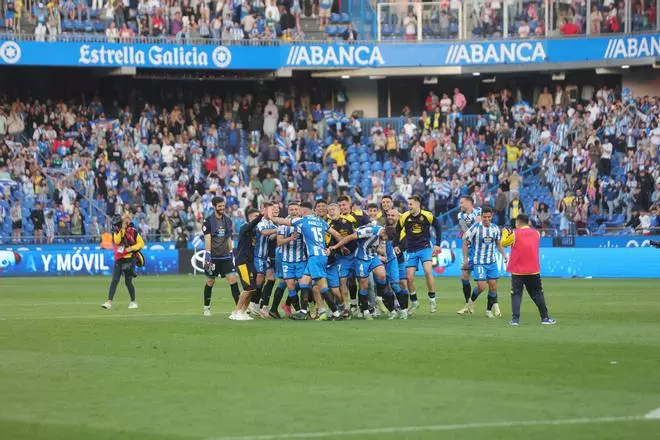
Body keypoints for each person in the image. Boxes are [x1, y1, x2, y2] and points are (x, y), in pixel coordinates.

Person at [272, 202, 344, 320]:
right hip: (318, 255)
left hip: (315, 257)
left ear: (304, 212)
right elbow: (336, 233)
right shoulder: (320, 221)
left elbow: (283, 221)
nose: (298, 213)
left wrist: (272, 217)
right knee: (304, 282)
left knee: (323, 286)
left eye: (299, 211)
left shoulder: (303, 221)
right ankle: (303, 311)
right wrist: (337, 247)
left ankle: (336, 313)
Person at [330, 223, 399, 319]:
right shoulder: (369, 231)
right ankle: (365, 311)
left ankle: (378, 298)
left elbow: (379, 246)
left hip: (373, 257)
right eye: (386, 238)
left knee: (382, 275)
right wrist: (336, 246)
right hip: (361, 259)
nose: (385, 240)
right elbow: (350, 237)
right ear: (384, 232)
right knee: (364, 285)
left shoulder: (382, 233)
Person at [501, 214, 556, 326]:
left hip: (518, 270)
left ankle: (515, 319)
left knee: (516, 294)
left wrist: (505, 232)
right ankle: (545, 318)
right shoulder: (536, 233)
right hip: (533, 269)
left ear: (518, 222)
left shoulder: (514, 233)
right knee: (537, 293)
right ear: (528, 222)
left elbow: (504, 243)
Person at [399, 195, 442, 314]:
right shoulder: (404, 217)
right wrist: (397, 245)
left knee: (428, 271)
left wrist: (437, 243)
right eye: (408, 204)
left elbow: (438, 227)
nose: (409, 206)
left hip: (425, 248)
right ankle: (414, 302)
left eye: (411, 204)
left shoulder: (427, 215)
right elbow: (397, 231)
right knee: (409, 277)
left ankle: (432, 299)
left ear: (418, 204)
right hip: (411, 250)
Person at [461, 207, 507, 318]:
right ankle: (471, 302)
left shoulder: (495, 228)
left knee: (493, 286)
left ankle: (488, 311)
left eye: (488, 217)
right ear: (481, 217)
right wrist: (466, 259)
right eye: (484, 217)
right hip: (479, 262)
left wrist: (504, 255)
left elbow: (498, 243)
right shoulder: (475, 228)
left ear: (492, 217)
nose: (486, 219)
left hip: (492, 262)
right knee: (482, 286)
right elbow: (465, 243)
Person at [201, 196, 242, 317]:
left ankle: (238, 310)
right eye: (219, 206)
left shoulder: (228, 221)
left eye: (223, 206)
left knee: (233, 280)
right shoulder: (208, 221)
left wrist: (232, 253)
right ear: (214, 207)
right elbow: (208, 240)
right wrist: (208, 256)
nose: (222, 208)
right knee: (210, 281)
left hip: (225, 257)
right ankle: (206, 308)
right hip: (213, 257)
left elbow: (229, 238)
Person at [101, 214, 144, 310]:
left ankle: (133, 302)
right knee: (115, 280)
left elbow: (141, 244)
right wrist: (122, 230)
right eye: (124, 221)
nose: (125, 222)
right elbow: (117, 241)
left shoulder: (133, 232)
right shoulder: (118, 231)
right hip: (119, 258)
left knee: (128, 282)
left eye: (126, 220)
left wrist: (131, 248)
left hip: (130, 258)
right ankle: (109, 302)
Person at [231, 208, 266, 321]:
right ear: (250, 217)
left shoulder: (255, 231)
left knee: (253, 288)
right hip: (242, 262)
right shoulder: (244, 228)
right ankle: (236, 312)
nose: (257, 218)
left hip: (250, 262)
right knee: (248, 287)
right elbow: (251, 225)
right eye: (255, 216)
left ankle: (243, 311)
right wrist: (260, 216)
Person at [456, 196, 481, 315]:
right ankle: (468, 304)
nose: (460, 204)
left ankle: (494, 304)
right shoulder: (460, 216)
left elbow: (481, 226)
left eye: (462, 202)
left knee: (485, 283)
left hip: (482, 248)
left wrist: (477, 223)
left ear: (469, 202)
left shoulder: (480, 211)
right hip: (470, 248)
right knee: (464, 276)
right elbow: (466, 231)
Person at [253, 202, 278, 317]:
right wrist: (277, 230)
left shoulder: (270, 223)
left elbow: (272, 236)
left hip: (266, 257)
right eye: (270, 210)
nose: (272, 212)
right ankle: (254, 304)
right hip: (258, 255)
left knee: (269, 279)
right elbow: (265, 232)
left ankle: (260, 305)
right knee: (260, 279)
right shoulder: (261, 222)